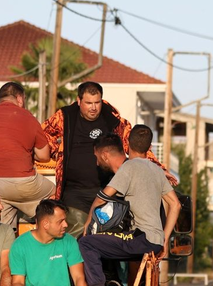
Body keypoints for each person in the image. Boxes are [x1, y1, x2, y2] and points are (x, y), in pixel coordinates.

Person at [42, 81, 174, 236]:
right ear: (79, 101)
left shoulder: (111, 119)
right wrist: (56, 151)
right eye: (88, 103)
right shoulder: (65, 116)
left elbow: (135, 144)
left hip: (106, 189)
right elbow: (42, 134)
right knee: (75, 237)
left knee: (106, 239)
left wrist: (156, 167)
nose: (93, 107)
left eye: (97, 102)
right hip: (74, 191)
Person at [79, 134, 181, 286]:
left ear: (128, 144)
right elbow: (176, 204)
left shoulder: (129, 167)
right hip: (153, 240)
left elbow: (102, 198)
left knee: (86, 243)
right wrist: (164, 239)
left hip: (141, 238)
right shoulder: (156, 170)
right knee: (107, 242)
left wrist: (88, 221)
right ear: (149, 146)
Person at [0, 82, 54, 229]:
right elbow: (44, 156)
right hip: (22, 182)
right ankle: (45, 235)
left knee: (3, 227)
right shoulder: (26, 116)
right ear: (20, 98)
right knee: (56, 193)